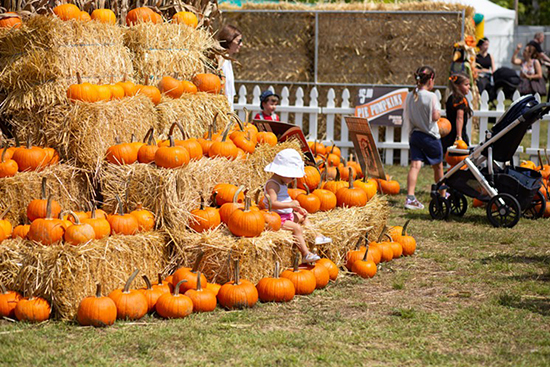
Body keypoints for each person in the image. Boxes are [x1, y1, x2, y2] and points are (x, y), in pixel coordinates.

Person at [263, 149, 332, 263]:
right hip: (276, 218)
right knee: (297, 228)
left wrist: (297, 208)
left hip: (285, 215)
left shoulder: (281, 182)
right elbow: (272, 203)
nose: (294, 179)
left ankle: (316, 236)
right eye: (292, 176)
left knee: (303, 217)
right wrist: (290, 204)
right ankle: (305, 254)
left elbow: (284, 200)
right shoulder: (272, 184)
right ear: (282, 172)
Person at [403, 66, 443, 210]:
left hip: (415, 135)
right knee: (438, 167)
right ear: (431, 79)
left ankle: (410, 197)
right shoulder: (432, 96)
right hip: (430, 136)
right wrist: (439, 116)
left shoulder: (410, 95)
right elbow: (434, 117)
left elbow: (407, 114)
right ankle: (442, 194)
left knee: (415, 166)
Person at [441, 73, 472, 155]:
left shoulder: (451, 98)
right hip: (457, 133)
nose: (469, 87)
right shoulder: (459, 100)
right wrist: (459, 136)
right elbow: (459, 118)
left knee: (450, 158)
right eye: (466, 84)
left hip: (449, 133)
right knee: (461, 158)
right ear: (457, 86)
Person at [216, 24, 242, 111]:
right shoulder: (221, 61)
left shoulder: (227, 61)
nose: (241, 44)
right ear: (229, 40)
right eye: (239, 41)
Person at [527, 32, 550, 99]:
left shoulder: (530, 43)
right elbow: (542, 55)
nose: (543, 40)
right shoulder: (535, 44)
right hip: (534, 65)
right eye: (542, 38)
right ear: (538, 37)